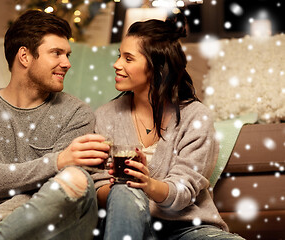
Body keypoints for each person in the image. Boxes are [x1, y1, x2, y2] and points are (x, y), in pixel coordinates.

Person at [0, 10, 110, 240]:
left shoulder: (78, 114)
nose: (66, 63)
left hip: (58, 224)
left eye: (67, 54)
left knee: (74, 179)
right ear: (24, 56)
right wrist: (58, 160)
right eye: (56, 53)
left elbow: (58, 192)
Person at [92, 13, 245, 239]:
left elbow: (184, 191)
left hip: (187, 227)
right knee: (124, 190)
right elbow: (97, 186)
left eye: (128, 58)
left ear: (156, 66)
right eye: (119, 56)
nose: (116, 64)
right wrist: (123, 190)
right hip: (127, 224)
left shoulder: (195, 117)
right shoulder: (106, 116)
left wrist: (148, 184)